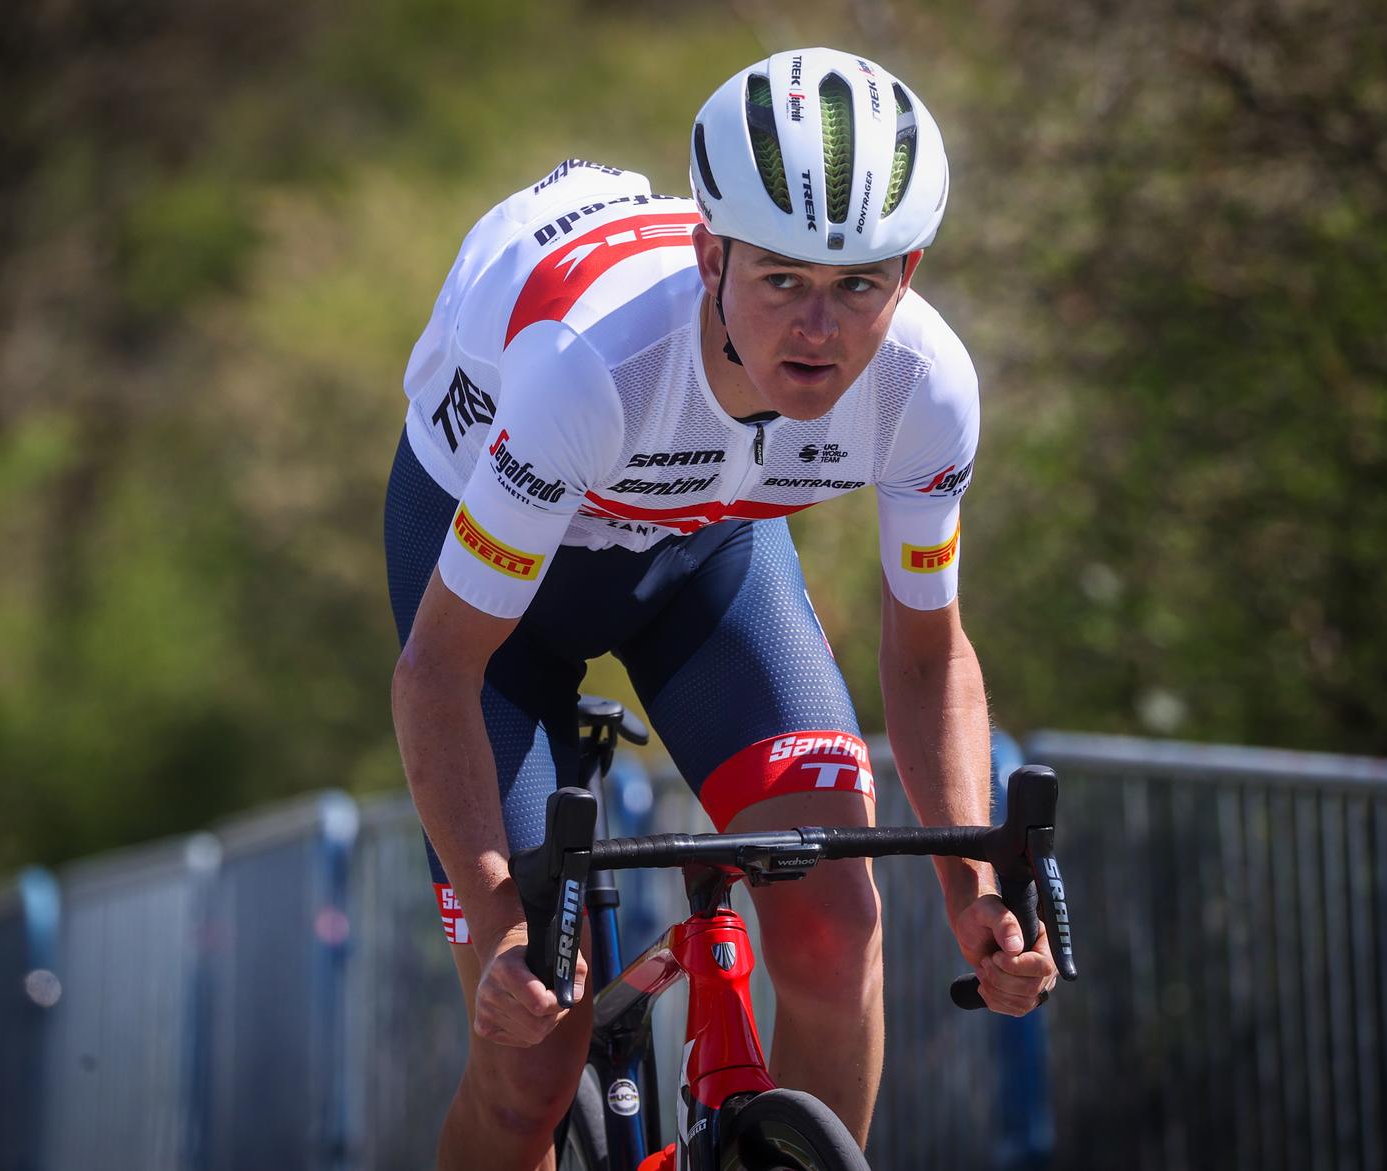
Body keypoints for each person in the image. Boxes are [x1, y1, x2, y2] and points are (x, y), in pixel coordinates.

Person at [386, 47, 1057, 1170]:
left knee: (840, 933)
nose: (820, 330)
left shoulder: (925, 387)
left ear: (911, 272)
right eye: (781, 280)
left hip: (703, 550)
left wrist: (976, 891)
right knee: (534, 1057)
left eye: (860, 286)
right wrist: (507, 927)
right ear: (710, 255)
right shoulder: (594, 366)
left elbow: (930, 654)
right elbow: (439, 672)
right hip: (493, 595)